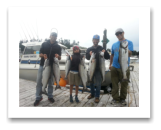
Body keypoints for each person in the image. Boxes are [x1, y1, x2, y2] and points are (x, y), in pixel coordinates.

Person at [34, 32, 61, 106]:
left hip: (53, 67)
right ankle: (38, 97)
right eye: (53, 35)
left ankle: (50, 96)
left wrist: (58, 56)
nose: (54, 37)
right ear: (50, 36)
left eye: (55, 36)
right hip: (43, 65)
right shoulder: (44, 44)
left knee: (51, 83)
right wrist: (43, 56)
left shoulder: (58, 47)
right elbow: (40, 54)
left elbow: (60, 58)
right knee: (39, 81)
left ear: (56, 37)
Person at [109, 28, 133, 105]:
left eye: (120, 33)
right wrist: (110, 64)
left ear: (123, 33)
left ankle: (122, 99)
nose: (119, 35)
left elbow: (130, 54)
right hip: (114, 67)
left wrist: (127, 49)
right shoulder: (114, 44)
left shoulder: (129, 42)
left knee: (124, 84)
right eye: (117, 34)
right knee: (114, 84)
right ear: (116, 36)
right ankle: (115, 98)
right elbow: (112, 55)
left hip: (125, 67)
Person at [86, 35, 110, 103]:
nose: (95, 41)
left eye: (97, 40)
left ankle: (97, 96)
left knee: (98, 83)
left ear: (98, 41)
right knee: (91, 82)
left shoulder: (101, 48)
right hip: (91, 68)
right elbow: (87, 58)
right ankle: (92, 94)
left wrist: (104, 52)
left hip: (99, 69)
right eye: (94, 40)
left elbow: (107, 57)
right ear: (92, 40)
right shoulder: (89, 49)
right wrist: (89, 55)